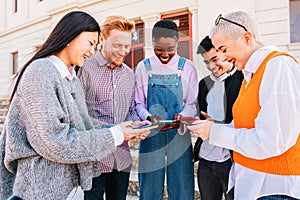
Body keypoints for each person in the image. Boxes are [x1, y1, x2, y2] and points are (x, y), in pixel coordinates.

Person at [0, 11, 150, 200]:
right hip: (37, 191)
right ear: (70, 36)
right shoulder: (40, 72)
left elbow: (81, 125)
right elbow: (54, 141)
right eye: (90, 43)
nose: (92, 51)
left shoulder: (69, 78)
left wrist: (124, 129)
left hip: (62, 188)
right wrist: (116, 133)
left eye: (95, 45)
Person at [187, 11, 300, 200]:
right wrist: (212, 128)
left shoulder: (278, 66)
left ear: (247, 38)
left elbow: (271, 141)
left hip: (275, 188)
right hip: (254, 185)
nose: (223, 57)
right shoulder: (251, 75)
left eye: (224, 49)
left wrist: (215, 133)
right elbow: (245, 127)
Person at [135, 19, 198, 200]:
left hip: (178, 134)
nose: (165, 54)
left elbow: (192, 104)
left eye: (170, 49)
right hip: (151, 133)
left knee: (182, 187)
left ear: (177, 43)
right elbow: (138, 104)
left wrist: (183, 116)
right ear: (152, 43)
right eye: (159, 49)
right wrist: (148, 117)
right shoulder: (143, 68)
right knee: (149, 187)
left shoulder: (187, 68)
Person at [78, 15, 139, 200]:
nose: (123, 51)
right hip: (95, 158)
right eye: (117, 45)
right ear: (102, 39)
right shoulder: (84, 68)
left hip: (121, 159)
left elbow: (132, 109)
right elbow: (78, 114)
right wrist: (114, 131)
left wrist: (140, 125)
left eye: (127, 46)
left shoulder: (129, 75)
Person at [194, 35, 243, 200]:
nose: (211, 66)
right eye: (207, 62)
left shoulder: (243, 80)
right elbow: (199, 114)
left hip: (231, 160)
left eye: (215, 59)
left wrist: (216, 126)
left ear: (225, 52)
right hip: (206, 160)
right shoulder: (203, 85)